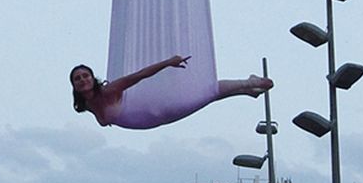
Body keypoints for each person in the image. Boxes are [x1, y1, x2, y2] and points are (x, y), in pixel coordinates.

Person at [69, 55, 271, 129]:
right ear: (74, 86)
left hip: (162, 110)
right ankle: (247, 89)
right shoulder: (87, 105)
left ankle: (249, 84)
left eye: (85, 75)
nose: (82, 80)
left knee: (205, 92)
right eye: (77, 78)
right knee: (206, 95)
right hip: (154, 119)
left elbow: (139, 75)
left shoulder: (108, 91)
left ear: (92, 78)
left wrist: (168, 63)